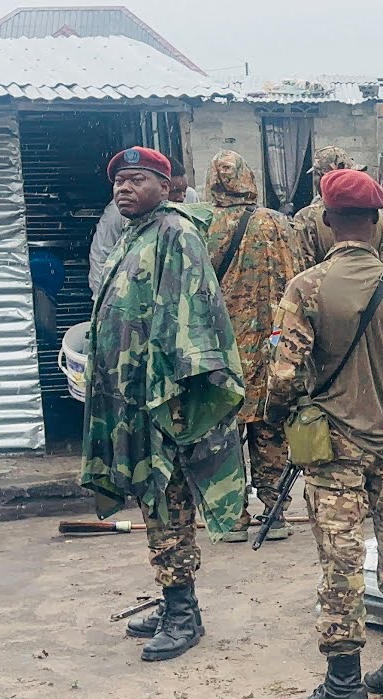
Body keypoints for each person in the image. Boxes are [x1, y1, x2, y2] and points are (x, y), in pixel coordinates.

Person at [267, 169, 383, 699]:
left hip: (334, 455)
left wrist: (290, 415)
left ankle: (344, 688)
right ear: (376, 222)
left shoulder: (307, 287)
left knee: (341, 565)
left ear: (326, 221)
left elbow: (283, 377)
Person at [81, 147, 246, 662]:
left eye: (135, 180)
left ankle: (182, 614)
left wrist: (172, 396)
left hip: (165, 402)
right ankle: (177, 598)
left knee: (167, 500)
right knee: (153, 503)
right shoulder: (137, 233)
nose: (122, 189)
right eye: (118, 182)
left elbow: (195, 319)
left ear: (163, 183)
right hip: (133, 398)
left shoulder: (177, 234)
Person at [203, 151, 303, 543]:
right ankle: (274, 512)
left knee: (223, 435)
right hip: (269, 348)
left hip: (218, 351)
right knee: (269, 426)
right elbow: (297, 279)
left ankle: (231, 519)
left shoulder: (202, 225)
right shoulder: (277, 224)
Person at [88, 156, 197, 295]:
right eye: (119, 181)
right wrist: (102, 301)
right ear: (164, 188)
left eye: (184, 191)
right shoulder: (118, 211)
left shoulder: (186, 222)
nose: (181, 198)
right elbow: (100, 257)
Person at [292, 146, 383, 272]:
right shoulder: (378, 217)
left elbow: (303, 269)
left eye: (316, 175)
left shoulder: (306, 217)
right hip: (374, 288)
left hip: (326, 289)